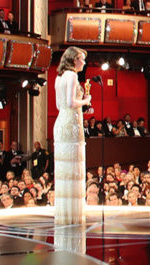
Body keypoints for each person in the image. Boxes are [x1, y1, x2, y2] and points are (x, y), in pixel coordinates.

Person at [53, 47, 91, 226]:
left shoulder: (59, 77)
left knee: (65, 171)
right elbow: (70, 103)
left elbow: (58, 105)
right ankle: (74, 216)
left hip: (61, 122)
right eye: (82, 59)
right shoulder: (72, 76)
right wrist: (86, 101)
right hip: (71, 124)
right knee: (73, 168)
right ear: (74, 59)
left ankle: (65, 214)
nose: (84, 62)